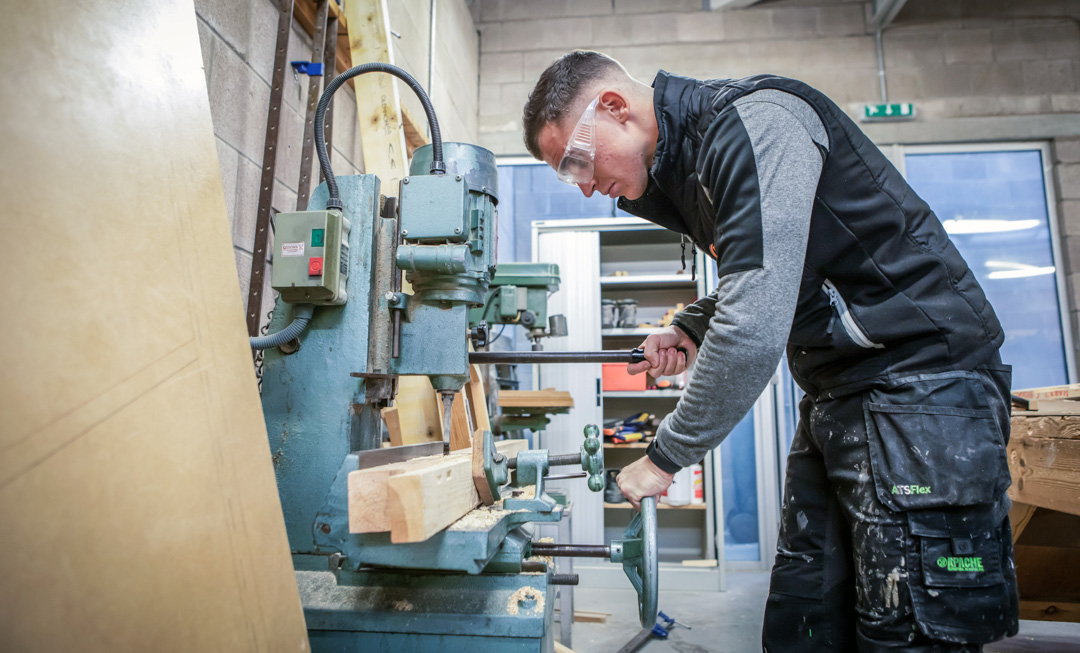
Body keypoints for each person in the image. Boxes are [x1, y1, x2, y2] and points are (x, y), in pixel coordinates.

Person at [521, 50, 1018, 652]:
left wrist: (663, 458)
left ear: (615, 108)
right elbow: (771, 267)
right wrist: (694, 327)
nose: (583, 187)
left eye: (577, 161)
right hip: (844, 393)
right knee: (803, 623)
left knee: (905, 631)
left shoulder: (758, 124)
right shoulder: (687, 170)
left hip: (923, 387)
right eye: (566, 176)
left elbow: (755, 324)